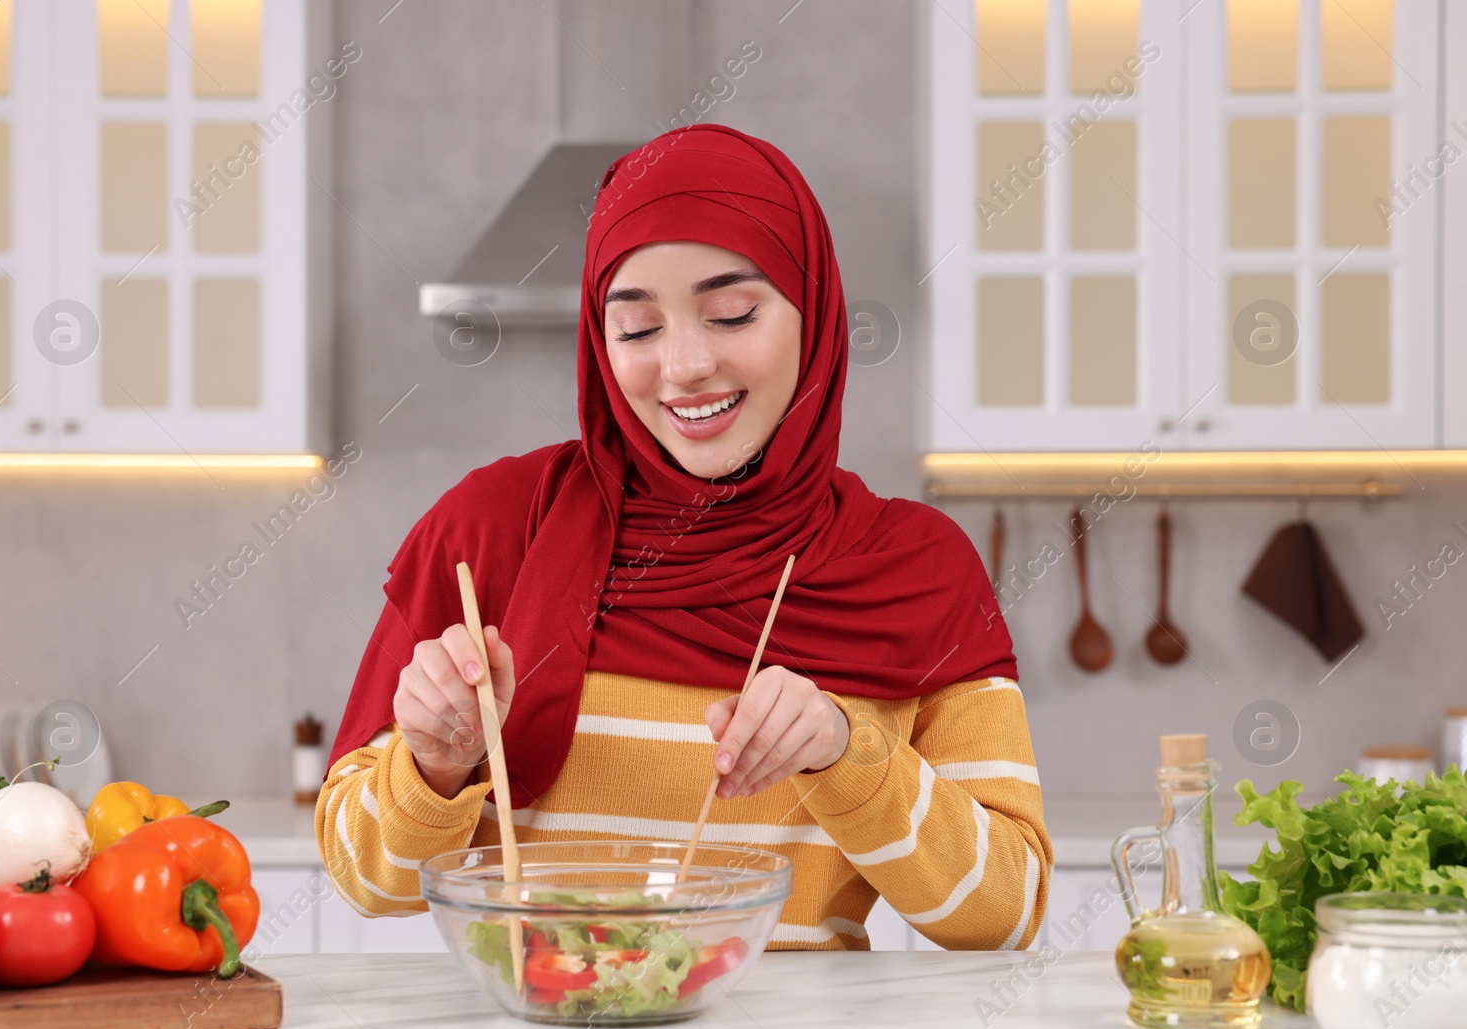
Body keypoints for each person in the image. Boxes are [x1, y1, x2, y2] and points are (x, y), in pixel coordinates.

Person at [316, 124, 1051, 950]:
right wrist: (433, 765)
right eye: (636, 329)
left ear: (815, 312)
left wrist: (851, 752)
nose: (685, 364)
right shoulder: (487, 528)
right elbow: (363, 881)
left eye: (731, 313)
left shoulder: (918, 567)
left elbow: (1005, 914)